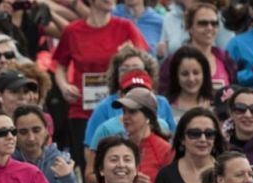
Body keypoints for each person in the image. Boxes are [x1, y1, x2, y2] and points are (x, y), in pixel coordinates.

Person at [52, 0, 148, 169]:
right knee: (89, 167)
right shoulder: (72, 31)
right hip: (82, 109)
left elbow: (144, 61)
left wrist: (127, 54)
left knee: (119, 165)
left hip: (119, 108)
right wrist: (64, 86)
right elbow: (60, 66)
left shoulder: (125, 27)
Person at [157, 3, 238, 94]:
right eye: (203, 23)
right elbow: (164, 95)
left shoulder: (226, 60)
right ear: (190, 28)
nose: (209, 28)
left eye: (214, 24)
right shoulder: (174, 61)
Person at [164, 46, 215, 122]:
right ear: (176, 76)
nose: (191, 79)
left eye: (196, 73)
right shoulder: (165, 107)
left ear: (204, 74)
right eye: (185, 74)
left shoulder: (214, 106)